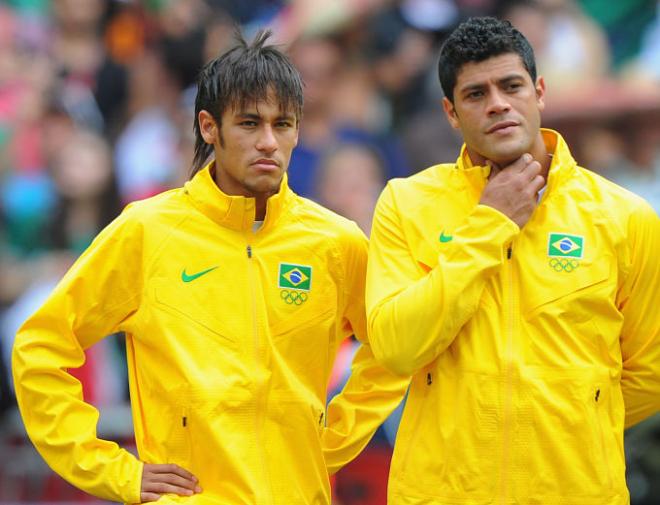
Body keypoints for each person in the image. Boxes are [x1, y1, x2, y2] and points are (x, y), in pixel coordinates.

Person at [12, 30, 408, 504]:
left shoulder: (336, 242)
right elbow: (40, 346)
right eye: (248, 123)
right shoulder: (147, 231)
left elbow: (393, 349)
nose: (268, 142)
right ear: (208, 126)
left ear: (298, 131)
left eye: (282, 124)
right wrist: (112, 470)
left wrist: (332, 441)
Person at [366, 16, 660, 504]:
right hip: (443, 493)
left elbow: (649, 371)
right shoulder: (405, 204)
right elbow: (397, 347)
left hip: (576, 491)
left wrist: (562, 422)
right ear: (451, 113)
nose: (498, 103)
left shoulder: (624, 216)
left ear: (539, 92)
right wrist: (490, 224)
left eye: (511, 86)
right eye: (476, 94)